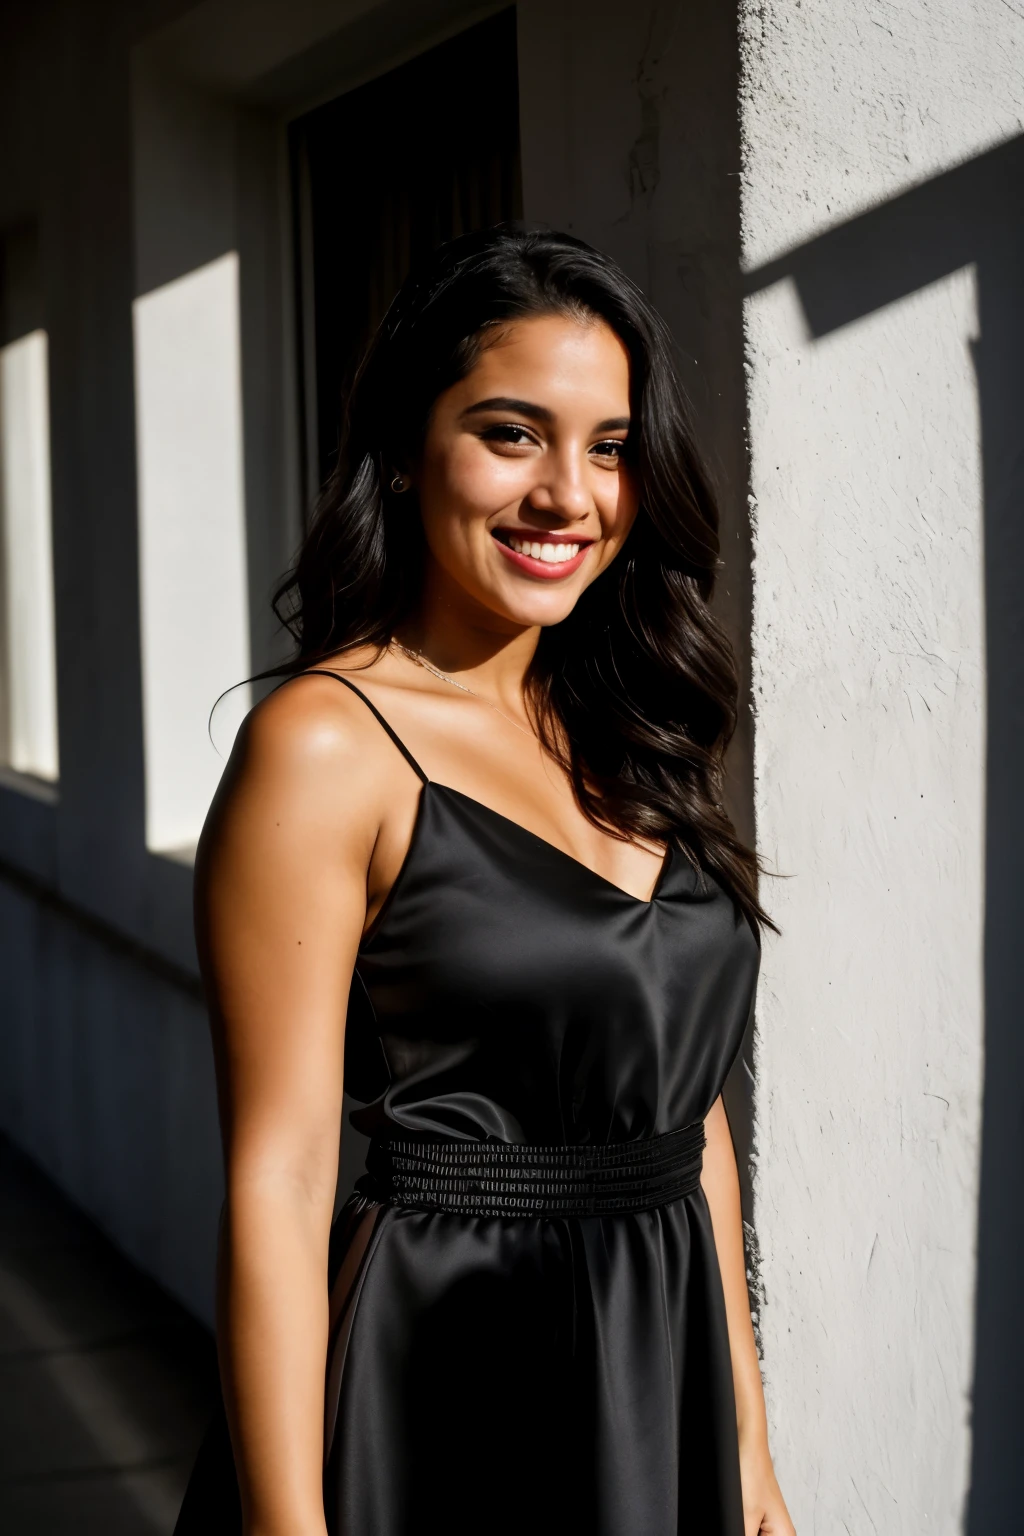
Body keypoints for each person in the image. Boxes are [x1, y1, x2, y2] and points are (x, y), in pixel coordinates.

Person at [174, 226, 795, 1536]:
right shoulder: (326, 746)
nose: (570, 493)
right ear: (406, 452)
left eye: (611, 446)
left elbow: (689, 1119)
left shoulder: (636, 724)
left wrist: (747, 1458)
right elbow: (276, 1187)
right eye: (512, 434)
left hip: (658, 1366)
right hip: (447, 1380)